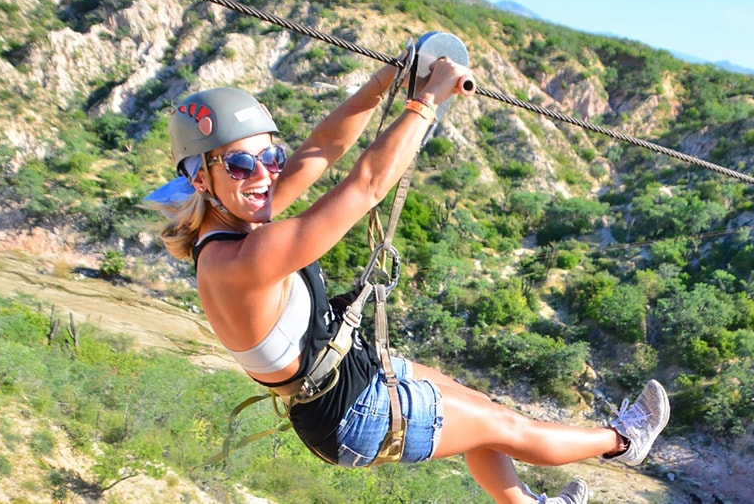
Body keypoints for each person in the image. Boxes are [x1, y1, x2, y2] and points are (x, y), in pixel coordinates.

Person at [145, 51, 670, 504]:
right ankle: (625, 440)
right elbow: (367, 185)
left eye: (270, 157)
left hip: (346, 374)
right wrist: (427, 101)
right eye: (240, 164)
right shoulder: (243, 259)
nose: (264, 175)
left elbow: (322, 146)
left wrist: (391, 80)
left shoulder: (235, 214)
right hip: (352, 411)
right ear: (200, 175)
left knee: (483, 412)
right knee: (509, 429)